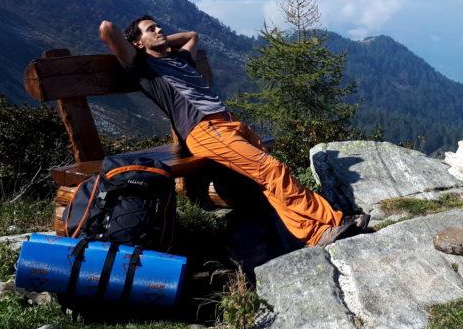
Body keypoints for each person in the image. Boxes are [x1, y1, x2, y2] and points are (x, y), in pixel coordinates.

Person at [98, 15, 368, 247]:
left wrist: (163, 42)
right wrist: (144, 46)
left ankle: (316, 233)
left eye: (159, 26)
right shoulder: (145, 69)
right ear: (137, 43)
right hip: (206, 130)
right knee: (272, 170)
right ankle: (334, 219)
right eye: (150, 29)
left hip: (231, 124)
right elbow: (107, 28)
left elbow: (193, 35)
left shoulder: (180, 60)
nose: (159, 30)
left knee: (269, 179)